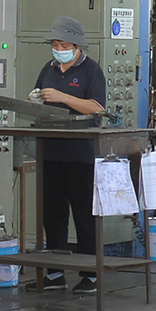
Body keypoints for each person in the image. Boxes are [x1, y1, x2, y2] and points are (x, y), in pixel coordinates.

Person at [28, 16, 107, 292]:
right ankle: (54, 273)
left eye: (63, 44)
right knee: (53, 214)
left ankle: (90, 274)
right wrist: (36, 100)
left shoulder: (91, 70)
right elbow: (41, 99)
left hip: (80, 152)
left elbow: (97, 107)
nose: (58, 48)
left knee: (84, 214)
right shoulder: (49, 69)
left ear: (76, 45)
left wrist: (63, 97)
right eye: (55, 44)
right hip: (51, 150)